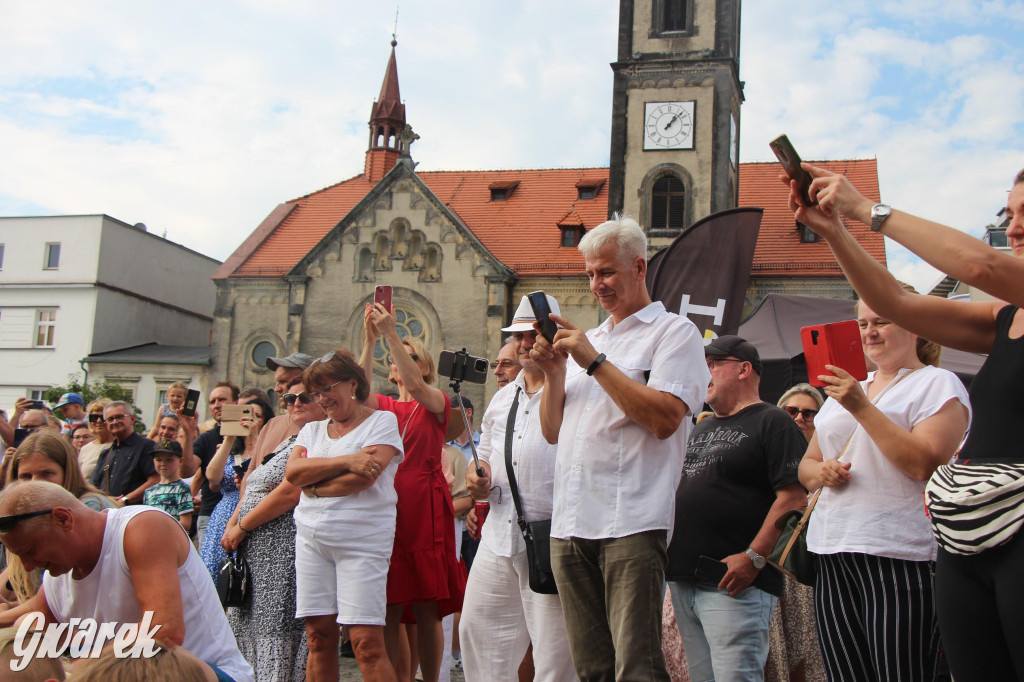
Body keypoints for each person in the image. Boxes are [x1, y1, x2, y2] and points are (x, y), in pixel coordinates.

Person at [783, 163, 1019, 681]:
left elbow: (924, 464)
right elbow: (809, 463)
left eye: (879, 324)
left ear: (914, 328)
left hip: (906, 551)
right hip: (850, 545)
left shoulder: (934, 384)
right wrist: (833, 230)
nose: (869, 331)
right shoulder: (1004, 320)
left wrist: (865, 210)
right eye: (862, 323)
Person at [530, 214, 709, 681]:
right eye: (589, 273)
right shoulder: (592, 340)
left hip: (630, 520)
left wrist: (593, 362)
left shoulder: (674, 332)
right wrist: (553, 373)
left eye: (606, 271)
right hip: (570, 524)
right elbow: (552, 431)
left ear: (639, 267)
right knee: (592, 670)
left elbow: (665, 419)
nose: (596, 284)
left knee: (638, 668)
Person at [0, 480, 254, 682]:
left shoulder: (142, 527)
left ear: (63, 519)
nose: (27, 566)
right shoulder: (59, 574)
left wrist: (77, 670)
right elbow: (27, 619)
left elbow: (163, 633)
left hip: (207, 673)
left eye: (31, 551)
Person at [666, 335, 807, 681]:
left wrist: (754, 557)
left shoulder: (774, 421)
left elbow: (793, 498)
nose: (704, 372)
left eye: (713, 364)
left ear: (744, 369)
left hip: (732, 583)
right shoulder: (701, 425)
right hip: (682, 579)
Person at [461, 294, 576, 682]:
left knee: (554, 652)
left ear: (552, 333)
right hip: (498, 534)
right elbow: (489, 453)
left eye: (532, 334)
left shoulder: (574, 387)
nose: (525, 343)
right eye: (518, 336)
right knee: (477, 633)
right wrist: (478, 478)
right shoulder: (503, 396)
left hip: (552, 538)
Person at [284, 349, 404, 682]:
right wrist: (347, 460)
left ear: (353, 383)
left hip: (362, 543)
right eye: (316, 392)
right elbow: (293, 474)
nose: (322, 399)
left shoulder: (382, 421)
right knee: (318, 638)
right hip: (311, 541)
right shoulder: (312, 431)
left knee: (366, 643)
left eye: (328, 389)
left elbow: (362, 479)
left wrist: (315, 487)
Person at [362, 305, 466, 682]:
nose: (399, 364)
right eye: (394, 360)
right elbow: (357, 391)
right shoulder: (383, 406)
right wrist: (371, 339)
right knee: (388, 603)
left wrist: (392, 335)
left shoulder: (435, 399)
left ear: (423, 366)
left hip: (425, 504)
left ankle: (432, 679)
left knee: (426, 604)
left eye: (408, 357)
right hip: (389, 505)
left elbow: (419, 390)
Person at [220, 375, 322, 681]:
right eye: (290, 399)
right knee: (248, 628)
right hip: (255, 554)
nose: (295, 403)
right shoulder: (290, 440)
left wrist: (243, 526)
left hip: (281, 554)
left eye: (304, 397)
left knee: (274, 632)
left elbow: (291, 491)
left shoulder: (319, 441)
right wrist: (233, 523)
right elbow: (253, 484)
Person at [765, 383, 828, 682]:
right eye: (791, 411)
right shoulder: (763, 460)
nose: (799, 418)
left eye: (809, 413)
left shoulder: (828, 466)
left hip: (807, 568)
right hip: (771, 562)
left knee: (810, 650)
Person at [199, 396, 273, 581]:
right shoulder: (232, 450)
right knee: (215, 575)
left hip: (252, 514)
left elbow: (267, 469)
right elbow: (212, 477)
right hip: (224, 515)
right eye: (245, 414)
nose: (249, 419)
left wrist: (256, 436)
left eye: (256, 415)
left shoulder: (269, 448)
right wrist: (229, 437)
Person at [192, 382, 240, 548]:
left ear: (237, 403)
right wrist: (186, 430)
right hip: (210, 512)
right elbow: (188, 470)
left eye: (222, 399)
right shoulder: (205, 439)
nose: (217, 405)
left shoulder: (251, 434)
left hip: (242, 514)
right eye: (212, 401)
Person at [89, 401, 159, 506]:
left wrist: (125, 500)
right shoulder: (105, 453)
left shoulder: (146, 446)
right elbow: (92, 485)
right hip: (108, 513)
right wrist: (105, 500)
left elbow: (155, 479)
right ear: (106, 424)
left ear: (132, 419)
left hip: (134, 513)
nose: (115, 422)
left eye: (119, 417)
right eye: (110, 419)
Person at [144, 439, 194, 532]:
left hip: (173, 539)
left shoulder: (182, 489)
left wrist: (162, 528)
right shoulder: (149, 492)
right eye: (158, 460)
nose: (163, 464)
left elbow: (186, 523)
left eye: (169, 460)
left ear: (181, 461)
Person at [78, 398, 113, 480]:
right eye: (94, 417)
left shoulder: (119, 446)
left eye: (103, 417)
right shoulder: (85, 449)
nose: (98, 421)